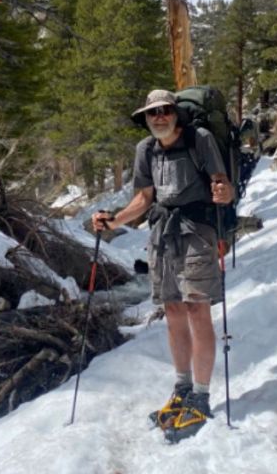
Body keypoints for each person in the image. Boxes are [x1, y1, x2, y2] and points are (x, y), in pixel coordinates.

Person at [92, 89, 233, 442]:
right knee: (172, 310)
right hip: (161, 234)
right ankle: (182, 388)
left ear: (175, 113)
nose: (159, 117)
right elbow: (143, 198)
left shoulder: (199, 139)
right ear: (146, 117)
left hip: (197, 232)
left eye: (165, 111)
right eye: (153, 113)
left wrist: (222, 193)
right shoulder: (145, 149)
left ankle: (201, 396)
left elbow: (224, 187)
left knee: (197, 309)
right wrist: (114, 221)